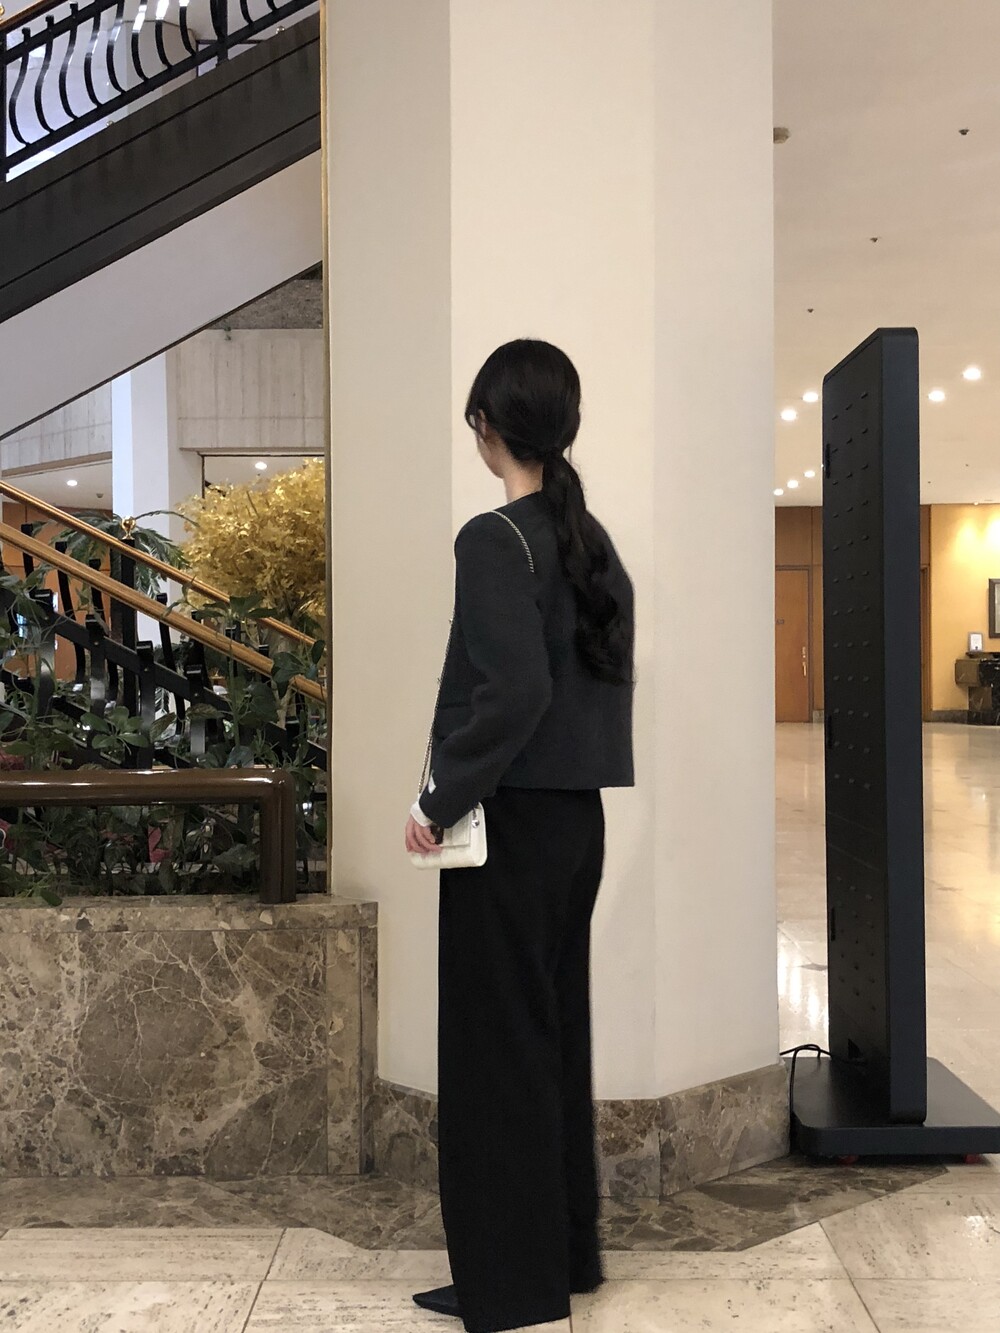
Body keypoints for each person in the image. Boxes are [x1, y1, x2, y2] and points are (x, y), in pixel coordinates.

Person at [404, 339, 635, 1333]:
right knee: (551, 1036)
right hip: (576, 822)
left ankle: (508, 1284)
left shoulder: (495, 538)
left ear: (486, 426)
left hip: (509, 822)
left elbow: (513, 694)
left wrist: (437, 800)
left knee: (496, 1052)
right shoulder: (590, 543)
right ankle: (564, 1256)